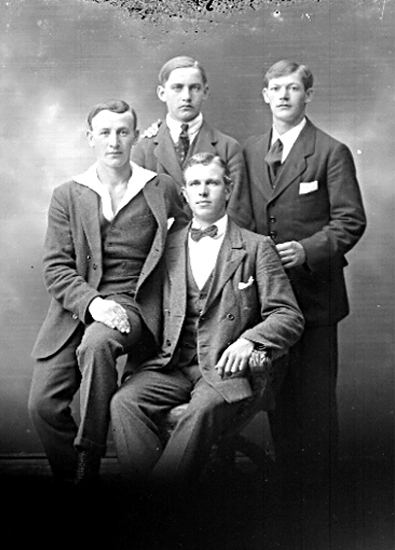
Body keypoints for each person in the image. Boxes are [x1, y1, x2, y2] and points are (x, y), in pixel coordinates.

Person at [110, 152, 304, 492]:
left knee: (201, 410)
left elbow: (288, 315)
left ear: (228, 189)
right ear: (184, 194)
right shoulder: (166, 246)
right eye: (195, 184)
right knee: (124, 402)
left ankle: (153, 505)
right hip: (170, 365)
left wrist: (250, 340)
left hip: (221, 370)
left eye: (212, 183)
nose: (203, 191)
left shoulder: (256, 247)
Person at [28, 99, 187, 486]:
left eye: (122, 132)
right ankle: (77, 485)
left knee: (98, 343)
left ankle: (89, 458)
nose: (114, 141)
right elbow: (55, 267)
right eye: (105, 133)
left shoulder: (160, 188)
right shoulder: (69, 194)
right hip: (77, 308)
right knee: (43, 406)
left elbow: (188, 242)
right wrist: (92, 303)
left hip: (134, 304)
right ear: (90, 138)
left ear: (135, 136)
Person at [242, 60, 367, 486]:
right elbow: (242, 217)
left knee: (314, 402)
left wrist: (307, 250)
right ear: (265, 95)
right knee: (277, 398)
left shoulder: (331, 151)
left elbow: (350, 220)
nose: (283, 95)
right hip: (268, 300)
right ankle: (288, 489)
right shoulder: (250, 151)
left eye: (293, 88)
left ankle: (320, 494)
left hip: (315, 299)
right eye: (275, 88)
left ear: (308, 95)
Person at [131, 55, 252, 228]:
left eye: (194, 88)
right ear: (162, 93)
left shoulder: (228, 148)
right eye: (177, 88)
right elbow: (136, 214)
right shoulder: (143, 149)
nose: (186, 96)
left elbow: (238, 214)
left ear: (205, 92)